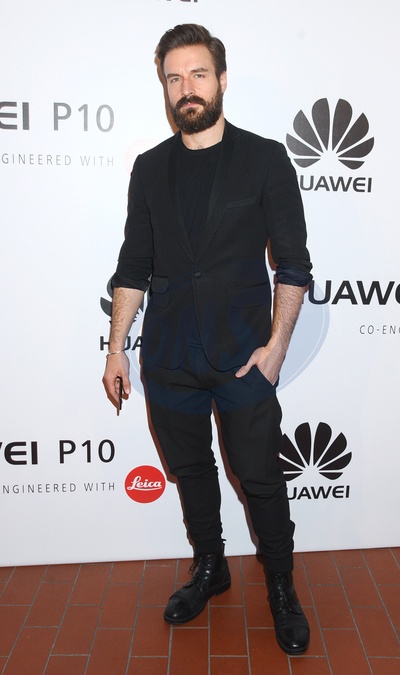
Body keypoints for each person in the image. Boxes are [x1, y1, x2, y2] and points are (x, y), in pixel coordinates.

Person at [103, 23, 312, 655]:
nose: (186, 88)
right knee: (191, 471)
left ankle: (281, 585)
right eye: (174, 78)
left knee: (259, 476)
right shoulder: (150, 168)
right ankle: (211, 566)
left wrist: (276, 349)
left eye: (198, 74)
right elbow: (133, 265)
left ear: (221, 80)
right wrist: (116, 348)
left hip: (244, 357)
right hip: (169, 358)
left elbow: (294, 264)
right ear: (164, 88)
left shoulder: (265, 159)